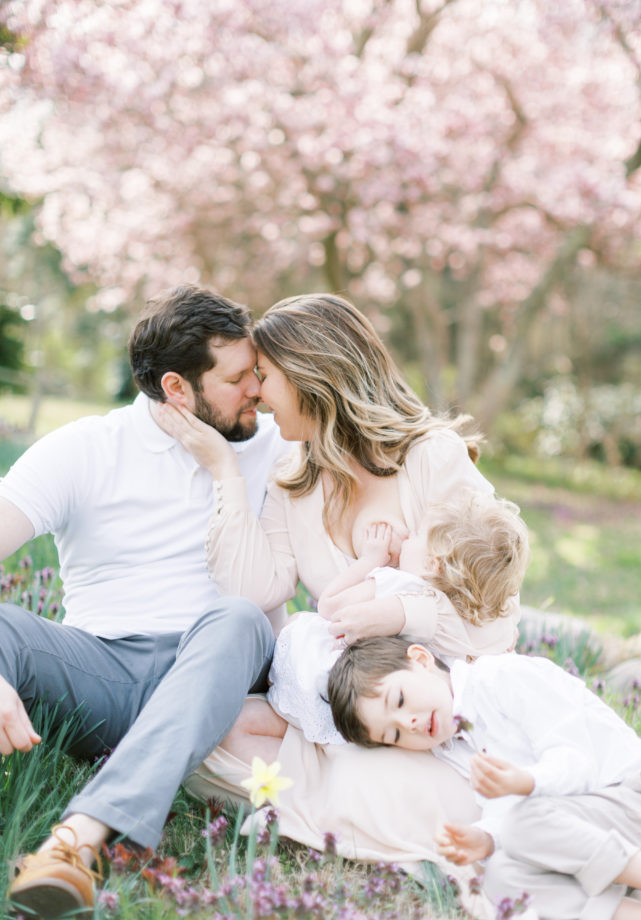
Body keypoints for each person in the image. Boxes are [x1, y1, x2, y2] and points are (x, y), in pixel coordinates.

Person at [158, 293, 520, 902]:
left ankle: (372, 809)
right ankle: (351, 803)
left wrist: (400, 614)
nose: (254, 393)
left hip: (448, 709)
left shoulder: (432, 458)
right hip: (358, 713)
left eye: (264, 377)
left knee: (330, 773)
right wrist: (223, 469)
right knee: (219, 734)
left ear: (311, 378)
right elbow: (252, 589)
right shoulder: (296, 476)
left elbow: (495, 623)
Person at [1, 285, 290, 918]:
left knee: (238, 616)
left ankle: (77, 843)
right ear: (178, 388)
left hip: (222, 667)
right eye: (240, 377)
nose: (258, 391)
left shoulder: (275, 445)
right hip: (104, 672)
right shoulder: (85, 448)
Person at [328, 636, 641, 920]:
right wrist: (487, 838)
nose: (409, 724)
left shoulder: (500, 678)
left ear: (420, 659)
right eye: (394, 735)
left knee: (523, 822)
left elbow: (577, 761)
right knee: (499, 878)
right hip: (600, 840)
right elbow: (511, 818)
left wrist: (525, 783)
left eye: (400, 700)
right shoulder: (451, 748)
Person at [265, 491, 528, 745]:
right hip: (408, 708)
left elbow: (330, 606)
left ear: (432, 564)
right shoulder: (495, 618)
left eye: (414, 536)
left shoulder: (403, 587)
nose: (406, 541)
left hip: (325, 674)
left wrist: (371, 560)